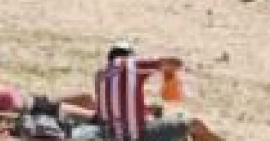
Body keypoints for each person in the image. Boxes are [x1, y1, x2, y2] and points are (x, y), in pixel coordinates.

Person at [94, 44, 227, 141]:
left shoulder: (101, 74)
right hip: (138, 136)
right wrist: (168, 73)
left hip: (110, 135)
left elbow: (116, 109)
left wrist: (147, 110)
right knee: (193, 124)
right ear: (131, 56)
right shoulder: (132, 64)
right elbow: (175, 62)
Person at [0, 43, 97, 122]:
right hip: (37, 110)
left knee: (87, 97)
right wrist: (14, 117)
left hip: (38, 102)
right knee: (94, 117)